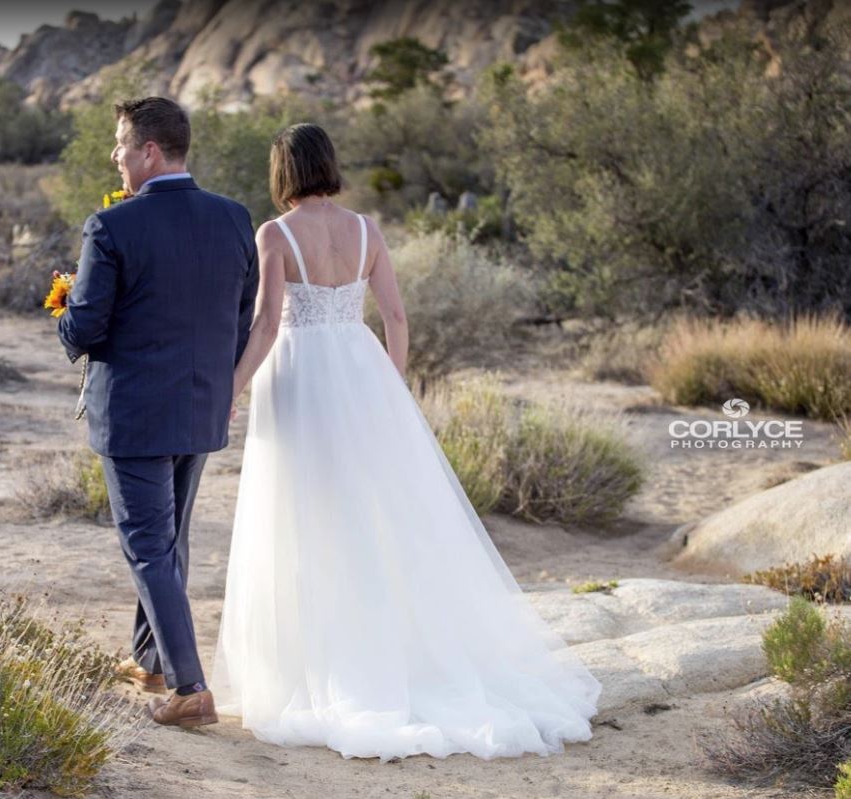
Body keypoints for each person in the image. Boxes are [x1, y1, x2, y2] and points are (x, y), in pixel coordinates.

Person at [209, 123, 602, 761]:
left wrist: (231, 386)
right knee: (377, 516)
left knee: (302, 515)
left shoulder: (275, 234)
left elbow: (265, 324)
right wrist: (389, 387)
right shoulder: (367, 229)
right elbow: (395, 316)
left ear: (283, 172)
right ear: (328, 165)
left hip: (301, 375)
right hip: (362, 373)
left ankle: (322, 666)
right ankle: (394, 652)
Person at [56, 96, 259, 728]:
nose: (114, 157)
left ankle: (190, 688)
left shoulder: (111, 227)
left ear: (149, 151)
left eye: (120, 145)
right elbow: (240, 315)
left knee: (148, 545)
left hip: (137, 415)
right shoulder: (233, 219)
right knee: (168, 541)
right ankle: (151, 660)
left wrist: (64, 310)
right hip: (202, 408)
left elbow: (86, 330)